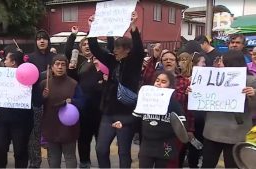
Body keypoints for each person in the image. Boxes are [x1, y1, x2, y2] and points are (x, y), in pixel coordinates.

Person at [88, 11, 144, 168]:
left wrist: (133, 26)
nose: (114, 50)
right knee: (100, 149)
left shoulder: (134, 61)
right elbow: (95, 49)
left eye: (118, 48)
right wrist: (92, 29)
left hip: (126, 114)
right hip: (108, 112)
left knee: (123, 152)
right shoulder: (111, 60)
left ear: (127, 49)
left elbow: (139, 48)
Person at [186, 50, 256, 168]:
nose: (218, 64)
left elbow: (253, 108)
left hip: (235, 133)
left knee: (232, 165)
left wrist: (253, 95)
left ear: (231, 63)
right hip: (212, 130)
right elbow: (202, 101)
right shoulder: (211, 77)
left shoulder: (250, 80)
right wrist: (193, 92)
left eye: (221, 61)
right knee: (207, 164)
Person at [65, 26, 106, 168]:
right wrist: (73, 35)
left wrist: (92, 30)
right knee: (83, 140)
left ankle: (103, 164)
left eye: (89, 44)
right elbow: (67, 52)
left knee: (102, 143)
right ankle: (84, 163)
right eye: (84, 44)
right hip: (84, 110)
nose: (87, 46)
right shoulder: (78, 63)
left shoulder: (102, 60)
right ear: (81, 48)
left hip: (101, 109)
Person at [0, 49, 33, 168]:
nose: (4, 61)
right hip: (3, 120)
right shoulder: (1, 75)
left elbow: (36, 99)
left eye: (7, 59)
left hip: (21, 121)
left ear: (13, 62)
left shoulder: (28, 76)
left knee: (20, 151)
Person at [41, 55, 84, 168]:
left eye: (63, 64)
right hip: (51, 126)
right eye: (57, 64)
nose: (60, 67)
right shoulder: (45, 84)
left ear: (66, 67)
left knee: (69, 156)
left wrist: (72, 101)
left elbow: (82, 103)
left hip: (69, 127)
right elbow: (36, 103)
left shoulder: (73, 84)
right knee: (54, 157)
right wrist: (43, 97)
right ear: (52, 67)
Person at [136, 71, 185, 168]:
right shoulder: (144, 102)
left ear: (170, 86)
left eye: (163, 81)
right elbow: (135, 119)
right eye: (157, 80)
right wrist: (122, 124)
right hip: (147, 145)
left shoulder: (174, 104)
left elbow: (182, 126)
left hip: (166, 146)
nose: (158, 83)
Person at [28, 29, 56, 168]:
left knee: (51, 134)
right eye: (39, 38)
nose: (42, 41)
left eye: (44, 38)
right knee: (35, 136)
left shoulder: (54, 57)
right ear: (36, 41)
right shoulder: (30, 58)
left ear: (48, 41)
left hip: (53, 103)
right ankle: (35, 163)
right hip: (35, 102)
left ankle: (54, 163)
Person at [186, 52, 207, 168]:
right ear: (195, 64)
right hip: (193, 120)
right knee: (193, 147)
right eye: (202, 62)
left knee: (203, 148)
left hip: (206, 120)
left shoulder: (210, 80)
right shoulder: (187, 81)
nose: (204, 65)